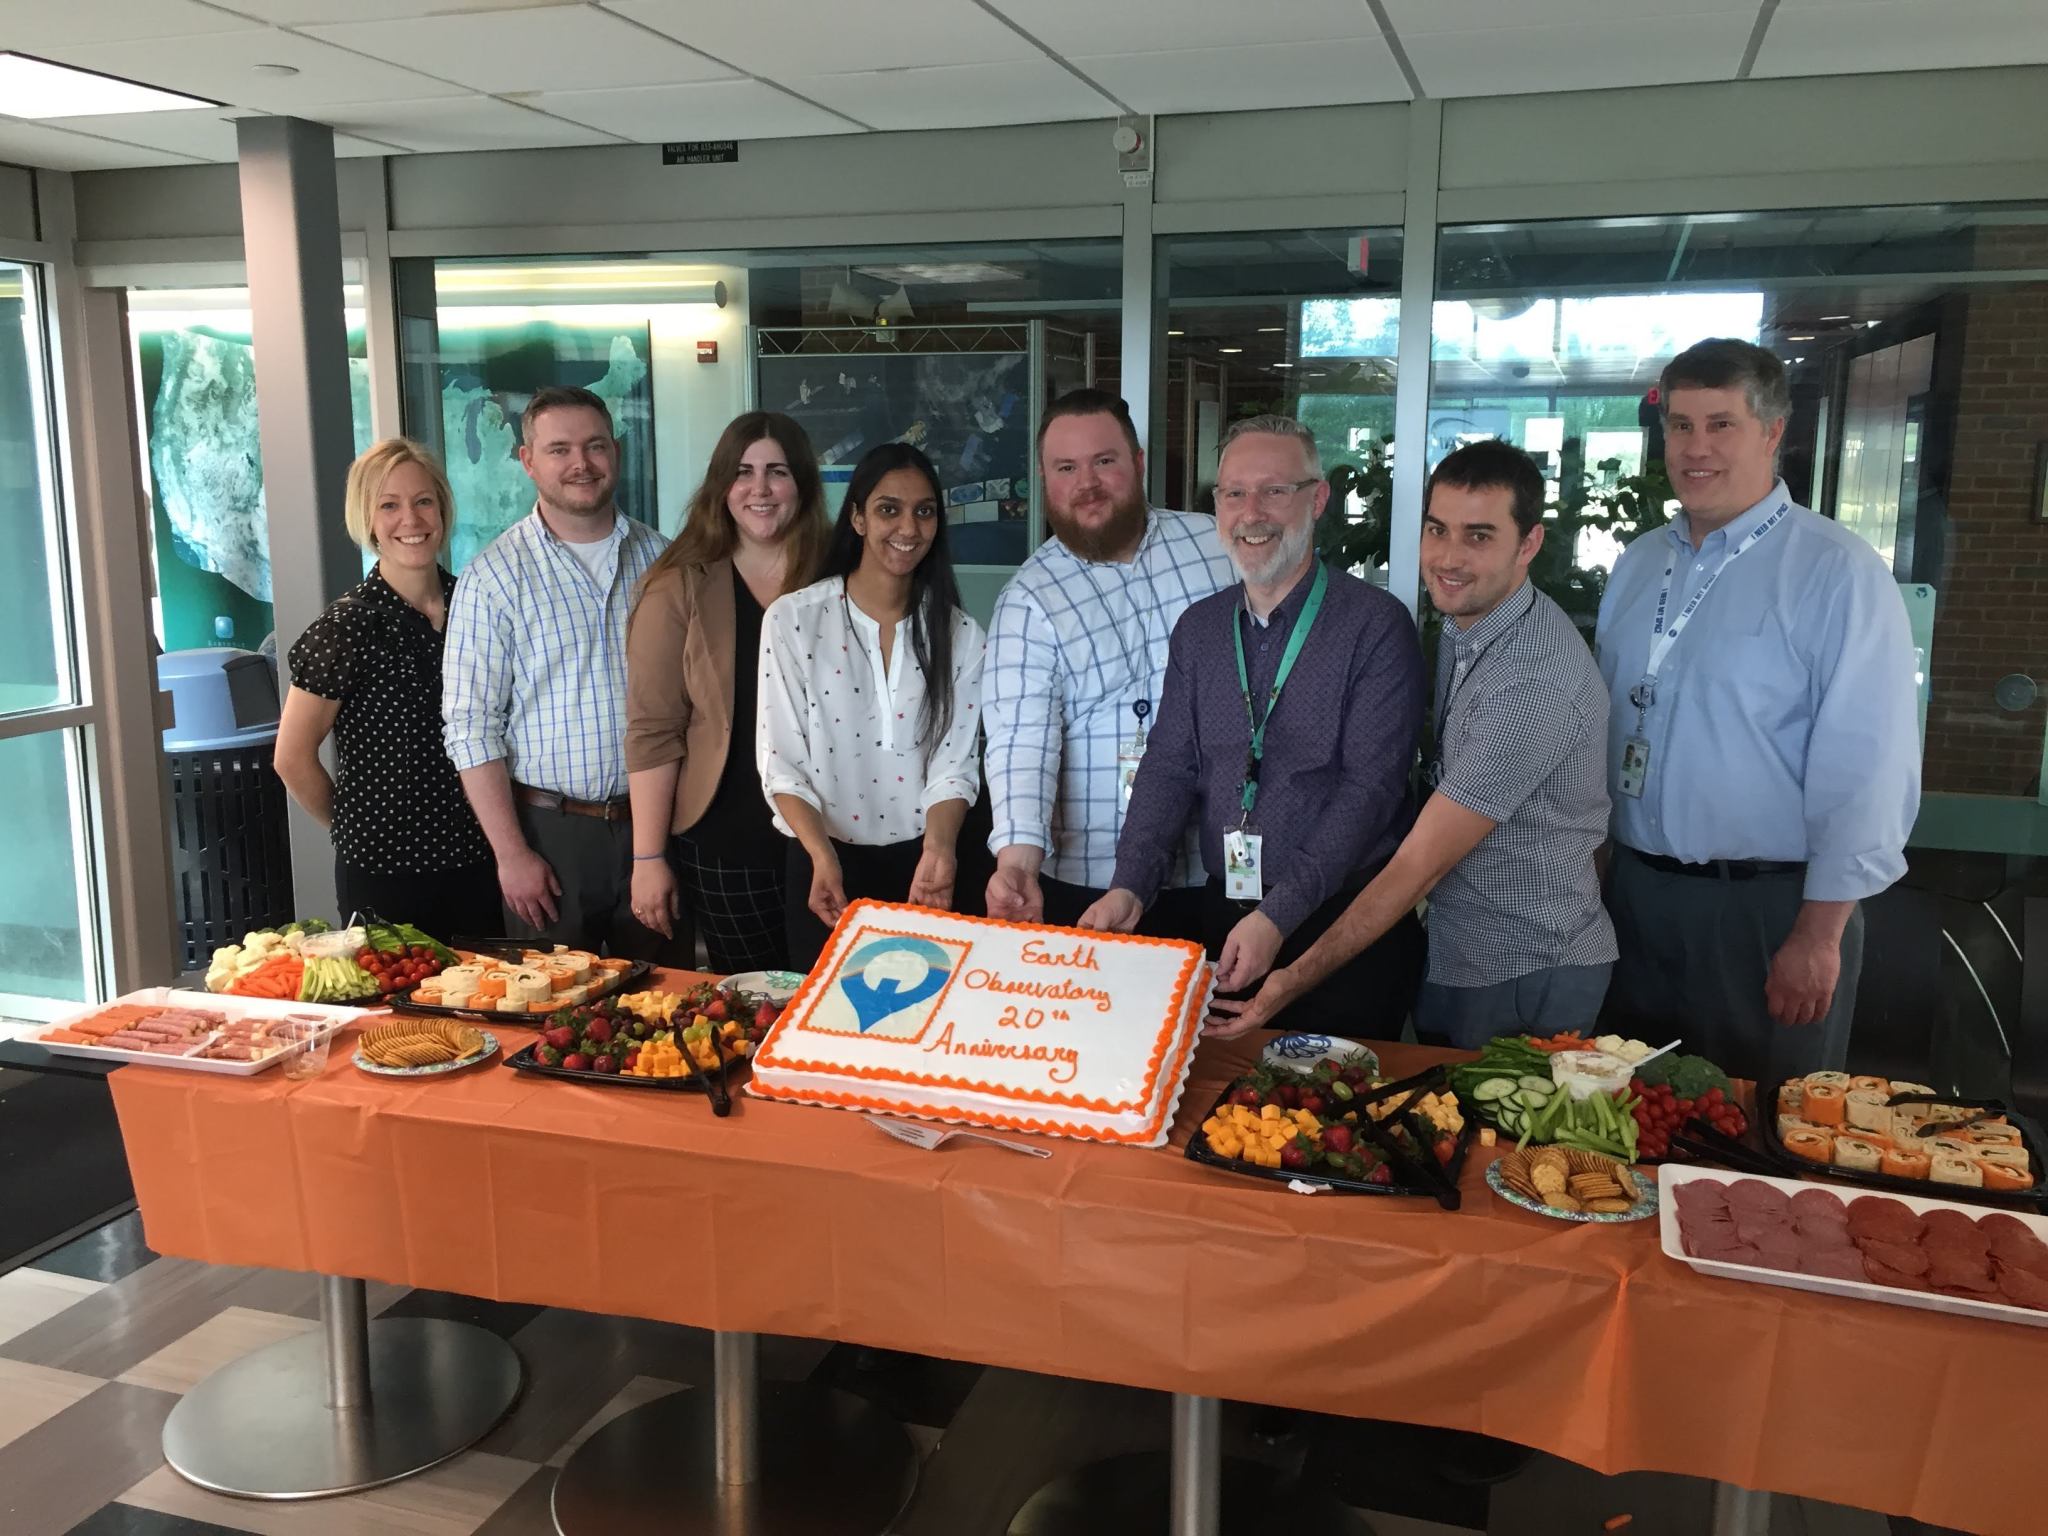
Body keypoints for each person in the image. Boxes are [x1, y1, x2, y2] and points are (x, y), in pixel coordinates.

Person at [1209, 440, 1615, 1045]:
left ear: (1528, 544)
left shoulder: (1533, 676)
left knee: (1500, 1142)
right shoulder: (1469, 624)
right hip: (1463, 949)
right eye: (1437, 529)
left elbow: (1417, 866)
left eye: (1479, 536)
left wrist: (1290, 981)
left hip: (1522, 966)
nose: (1448, 557)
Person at [1596, 337, 1920, 1082]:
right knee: (1629, 1127)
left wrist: (1820, 932)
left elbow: (1868, 767)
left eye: (1721, 424)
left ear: (1774, 431)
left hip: (1769, 910)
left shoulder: (1836, 573)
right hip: (1637, 896)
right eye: (1680, 425)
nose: (1695, 448)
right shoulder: (1641, 564)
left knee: (1760, 1142)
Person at [1078, 415, 1426, 1036]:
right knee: (1230, 1116)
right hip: (1226, 918)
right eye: (1234, 493)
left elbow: (1368, 793)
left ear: (1317, 499)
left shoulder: (1376, 626)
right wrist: (1130, 884)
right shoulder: (1200, 630)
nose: (1251, 512)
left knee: (1331, 1119)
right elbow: (1169, 767)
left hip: (1338, 928)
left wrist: (1279, 915)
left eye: (1274, 491)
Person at [982, 389, 1234, 934]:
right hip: (1089, 882)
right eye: (1066, 467)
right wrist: (1017, 863)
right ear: (1046, 480)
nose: (1086, 483)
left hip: (1214, 870)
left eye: (1104, 461)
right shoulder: (1029, 597)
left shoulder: (1216, 549)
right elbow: (1021, 742)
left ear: (1138, 464)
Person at [442, 385, 667, 955]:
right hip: (550, 835)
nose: (581, 464)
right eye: (560, 449)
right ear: (527, 461)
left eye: (595, 446)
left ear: (615, 451)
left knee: (666, 1006)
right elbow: (471, 728)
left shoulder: (665, 562)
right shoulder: (492, 577)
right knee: (554, 1019)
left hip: (660, 826)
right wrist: (511, 854)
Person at [759, 442, 987, 970]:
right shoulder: (794, 620)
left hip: (926, 866)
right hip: (824, 863)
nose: (908, 528)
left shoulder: (961, 634)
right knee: (824, 1038)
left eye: (924, 511)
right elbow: (781, 764)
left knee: (925, 1035)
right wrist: (820, 854)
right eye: (889, 509)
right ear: (858, 517)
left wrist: (940, 850)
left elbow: (955, 767)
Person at [624, 412, 829, 971]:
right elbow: (653, 729)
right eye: (743, 472)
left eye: (777, 471)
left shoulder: (842, 575)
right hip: (725, 844)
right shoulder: (679, 585)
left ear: (803, 483)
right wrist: (648, 856)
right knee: (754, 1011)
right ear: (722, 486)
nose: (759, 489)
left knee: (836, 1010)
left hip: (834, 838)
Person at [275, 438, 501, 937]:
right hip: (385, 872)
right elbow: (291, 757)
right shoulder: (347, 627)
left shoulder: (478, 605)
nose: (411, 520)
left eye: (424, 501)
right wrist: (355, 832)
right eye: (389, 505)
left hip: (483, 858)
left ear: (442, 508)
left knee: (484, 1008)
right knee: (392, 1015)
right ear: (368, 520)